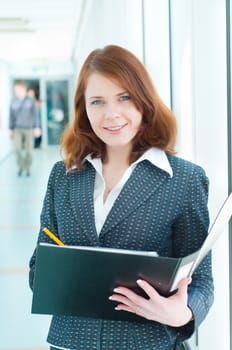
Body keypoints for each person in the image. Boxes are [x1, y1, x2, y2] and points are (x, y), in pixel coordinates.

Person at [29, 45, 214, 350]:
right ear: (84, 110)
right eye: (97, 101)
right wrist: (56, 273)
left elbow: (202, 280)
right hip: (72, 343)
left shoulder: (184, 179)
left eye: (124, 97)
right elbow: (38, 268)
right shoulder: (63, 176)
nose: (111, 114)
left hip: (149, 342)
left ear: (144, 101)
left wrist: (183, 313)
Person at [9, 81, 41, 176]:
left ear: (23, 89)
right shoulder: (13, 100)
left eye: (17, 89)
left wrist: (37, 127)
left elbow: (35, 115)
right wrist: (10, 129)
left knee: (29, 151)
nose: (15, 91)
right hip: (17, 129)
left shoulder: (30, 100)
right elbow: (11, 116)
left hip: (29, 129)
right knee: (17, 149)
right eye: (15, 90)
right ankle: (21, 166)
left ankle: (27, 168)